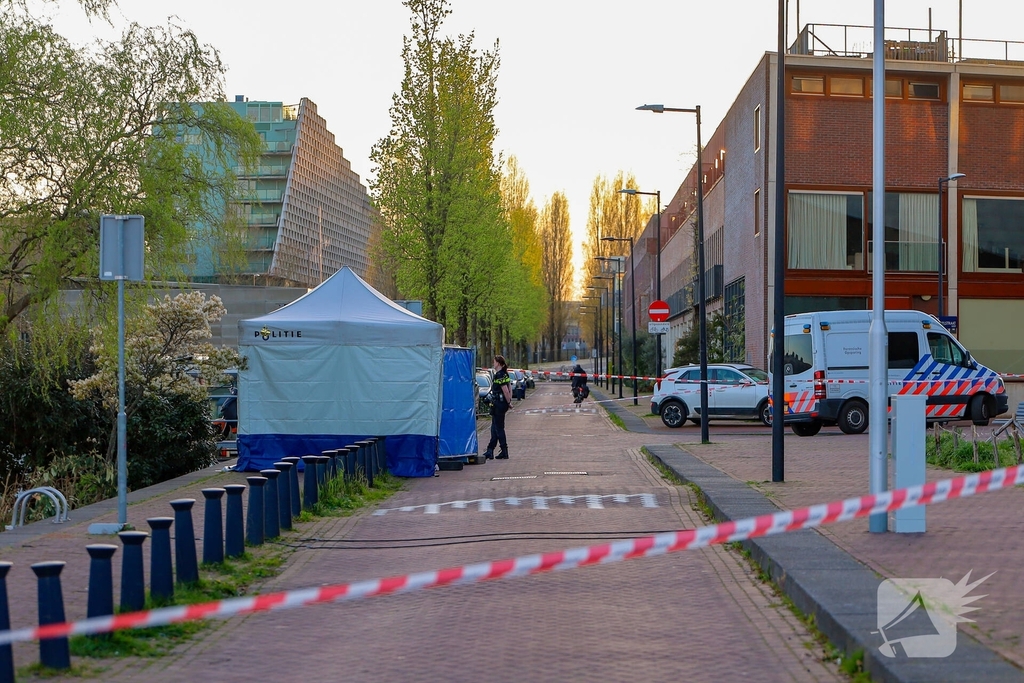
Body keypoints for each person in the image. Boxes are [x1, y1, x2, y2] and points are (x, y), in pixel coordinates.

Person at [483, 355, 514, 460]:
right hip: (501, 404)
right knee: (494, 428)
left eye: (494, 362)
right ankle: (490, 450)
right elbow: (509, 387)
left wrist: (508, 401)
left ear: (499, 363)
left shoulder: (499, 375)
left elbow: (505, 389)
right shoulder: (505, 374)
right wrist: (509, 401)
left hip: (498, 405)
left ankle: (504, 451)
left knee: (499, 428)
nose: (493, 363)